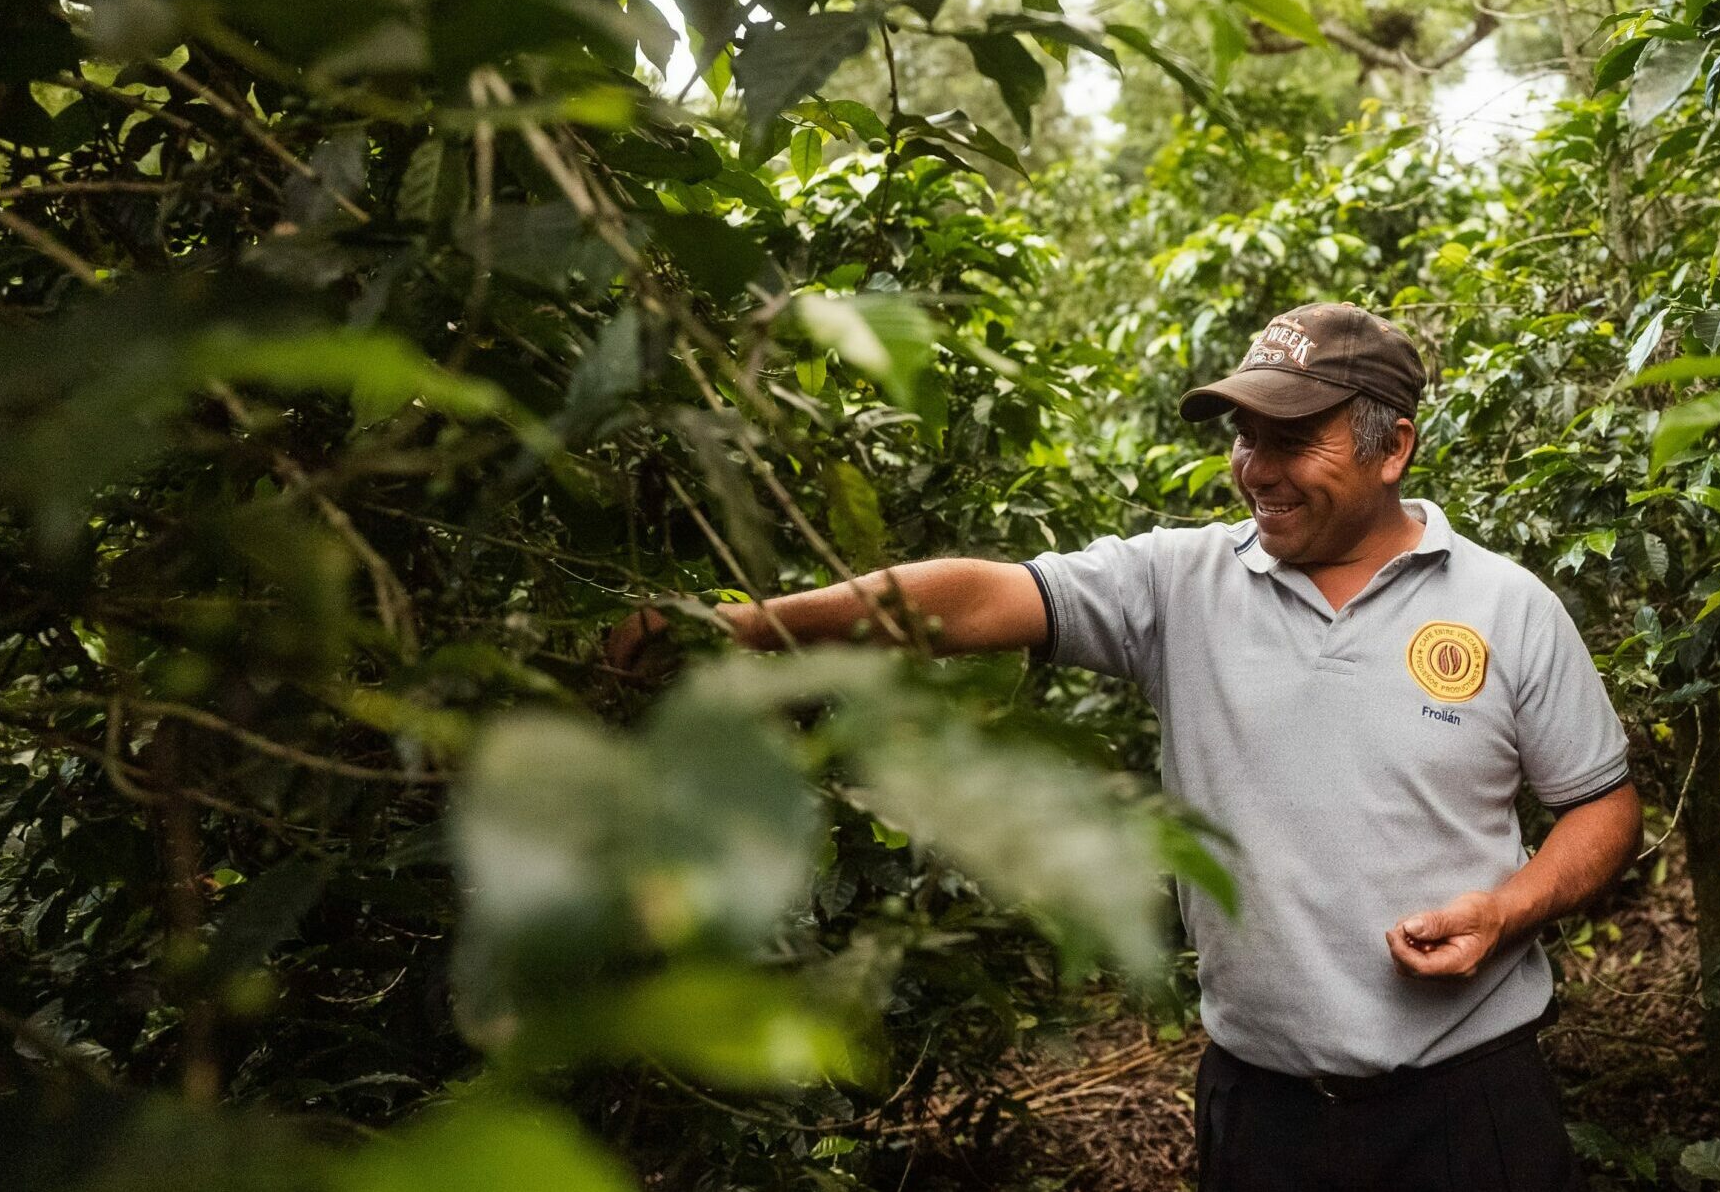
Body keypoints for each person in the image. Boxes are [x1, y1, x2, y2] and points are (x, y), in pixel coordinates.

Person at [608, 302, 1639, 1191]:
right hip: (1263, 1109)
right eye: (1242, 435)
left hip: (1471, 1098)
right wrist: (750, 625)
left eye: (1292, 439)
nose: (1255, 468)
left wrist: (1508, 909)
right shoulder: (1177, 585)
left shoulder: (1507, 605)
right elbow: (975, 597)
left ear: (1394, 447)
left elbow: (1602, 803)